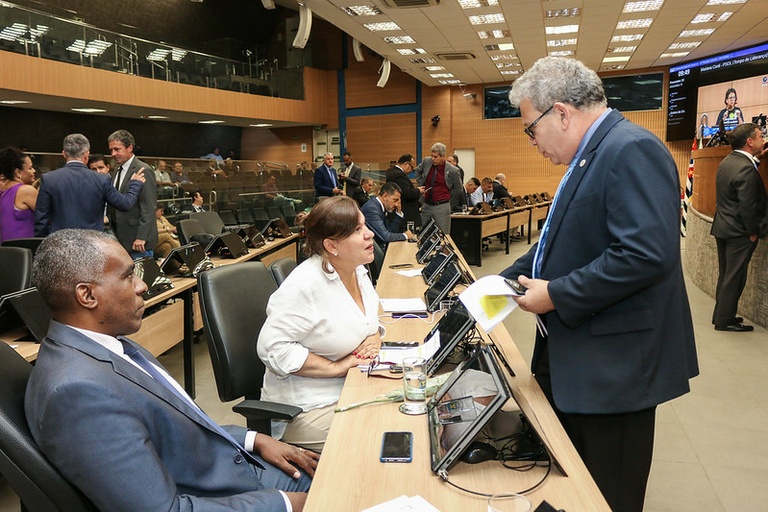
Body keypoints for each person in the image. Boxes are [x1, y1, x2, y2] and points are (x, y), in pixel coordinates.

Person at [500, 56, 698, 512]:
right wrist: (499, 281)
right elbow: (555, 244)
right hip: (584, 361)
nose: (532, 142)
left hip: (618, 370)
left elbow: (646, 255)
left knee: (609, 496)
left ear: (562, 113)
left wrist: (556, 294)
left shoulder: (630, 149)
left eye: (531, 128)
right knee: (576, 489)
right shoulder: (590, 155)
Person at [25, 229, 317, 511]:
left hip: (236, 467)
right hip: (236, 496)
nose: (142, 285)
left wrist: (253, 439)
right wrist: (286, 504)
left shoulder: (106, 345)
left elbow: (177, 426)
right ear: (87, 296)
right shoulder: (78, 393)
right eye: (128, 277)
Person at [257, 196, 380, 453]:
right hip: (306, 409)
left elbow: (365, 319)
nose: (370, 234)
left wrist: (375, 336)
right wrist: (336, 367)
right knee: (380, 441)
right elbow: (273, 349)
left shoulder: (355, 269)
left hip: (351, 388)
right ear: (331, 245)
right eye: (358, 230)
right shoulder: (305, 285)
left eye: (365, 226)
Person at [710, 122, 768, 332]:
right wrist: (753, 232)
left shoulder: (729, 161)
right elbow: (748, 206)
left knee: (727, 275)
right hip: (740, 232)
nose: (763, 140)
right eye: (761, 137)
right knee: (734, 277)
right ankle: (724, 321)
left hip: (723, 227)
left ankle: (722, 315)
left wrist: (757, 160)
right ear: (750, 142)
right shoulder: (745, 169)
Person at [35, 134, 145, 236]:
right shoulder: (102, 179)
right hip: (92, 244)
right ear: (87, 154)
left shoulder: (49, 179)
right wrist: (135, 184)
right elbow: (125, 204)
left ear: (64, 154)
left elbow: (41, 219)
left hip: (60, 243)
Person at [108, 129, 158, 259]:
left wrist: (142, 237)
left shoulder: (143, 170)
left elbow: (148, 207)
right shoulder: (117, 170)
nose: (113, 154)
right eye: (111, 150)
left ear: (129, 147)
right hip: (120, 240)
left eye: (117, 149)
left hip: (138, 242)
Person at [415, 142, 462, 233]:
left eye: (436, 157)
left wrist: (449, 201)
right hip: (427, 205)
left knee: (443, 235)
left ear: (443, 156)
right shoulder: (427, 162)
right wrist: (421, 183)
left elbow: (458, 189)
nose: (433, 159)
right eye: (432, 156)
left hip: (442, 206)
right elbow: (417, 171)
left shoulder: (453, 170)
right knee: (423, 233)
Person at [361, 182, 413, 251]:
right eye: (395, 200)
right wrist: (405, 235)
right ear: (385, 196)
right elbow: (385, 236)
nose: (397, 204)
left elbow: (390, 231)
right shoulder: (372, 209)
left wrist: (398, 213)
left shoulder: (379, 206)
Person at [0, 147, 37, 243]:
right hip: (24, 251)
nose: (34, 171)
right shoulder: (26, 191)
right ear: (18, 172)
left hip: (6, 250)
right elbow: (47, 216)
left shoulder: (3, 191)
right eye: (30, 168)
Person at [385, 154, 424, 228]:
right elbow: (407, 193)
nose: (412, 170)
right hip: (406, 212)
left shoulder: (392, 172)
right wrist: (418, 190)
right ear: (406, 164)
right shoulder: (399, 175)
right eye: (412, 167)